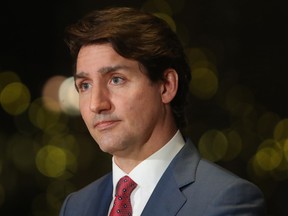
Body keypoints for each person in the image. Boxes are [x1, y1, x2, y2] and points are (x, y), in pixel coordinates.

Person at [59, 6, 266, 216]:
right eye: (85, 85)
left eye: (116, 80)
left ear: (166, 86)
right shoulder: (76, 206)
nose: (96, 104)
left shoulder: (225, 200)